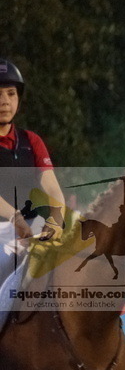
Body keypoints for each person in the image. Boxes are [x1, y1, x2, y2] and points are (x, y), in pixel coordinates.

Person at [0, 57, 64, 242]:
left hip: (29, 227)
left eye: (11, 94)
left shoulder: (31, 140)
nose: (5, 101)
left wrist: (56, 219)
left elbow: (52, 187)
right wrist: (15, 217)